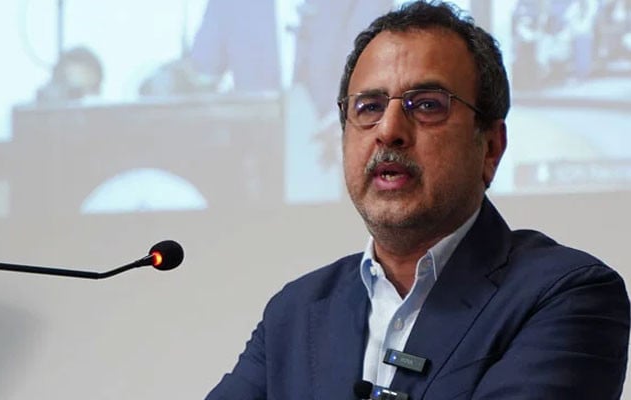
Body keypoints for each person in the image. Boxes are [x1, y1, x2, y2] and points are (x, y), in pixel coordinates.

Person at [205, 1, 630, 399]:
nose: (389, 130)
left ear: (490, 147)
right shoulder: (296, 312)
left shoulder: (566, 294)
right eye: (369, 107)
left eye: (426, 105)